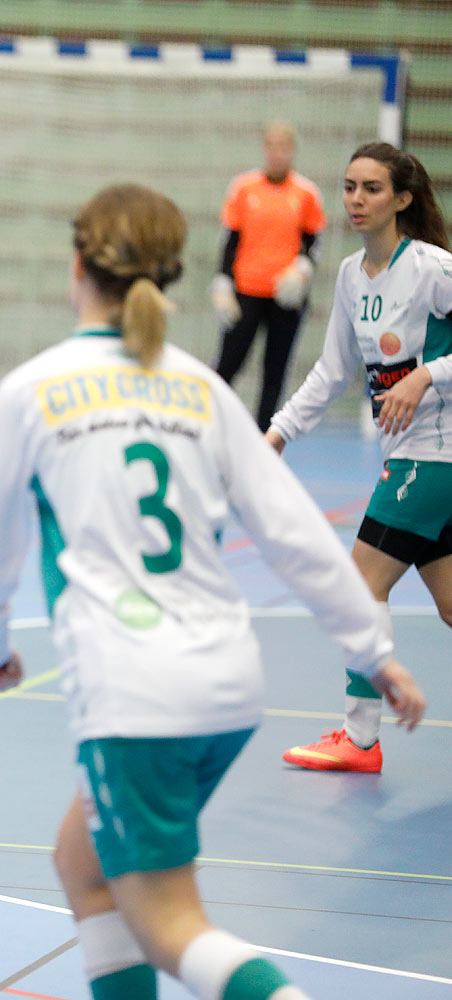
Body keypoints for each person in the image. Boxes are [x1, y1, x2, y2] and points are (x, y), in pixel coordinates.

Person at [0, 183, 424, 1000]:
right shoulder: (201, 390)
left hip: (136, 692)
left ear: (78, 264)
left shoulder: (33, 389)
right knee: (83, 863)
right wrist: (373, 651)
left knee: (168, 923)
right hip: (229, 685)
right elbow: (298, 536)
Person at [266, 141, 452, 773]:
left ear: (402, 199)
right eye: (349, 187)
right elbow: (334, 370)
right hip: (414, 458)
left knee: (360, 583)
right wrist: (280, 432)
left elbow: (429, 368)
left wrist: (425, 375)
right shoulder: (350, 275)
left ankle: (361, 738)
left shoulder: (431, 268)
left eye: (371, 188)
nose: (356, 199)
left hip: (435, 458)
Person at [210, 121, 328, 430]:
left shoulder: (306, 193)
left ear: (292, 151)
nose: (277, 154)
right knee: (227, 365)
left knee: (275, 371)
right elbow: (230, 239)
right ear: (265, 149)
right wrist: (223, 282)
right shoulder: (243, 187)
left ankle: (265, 437)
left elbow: (314, 242)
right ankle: (209, 426)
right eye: (272, 146)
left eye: (284, 147)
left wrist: (301, 271)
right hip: (246, 292)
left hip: (285, 296)